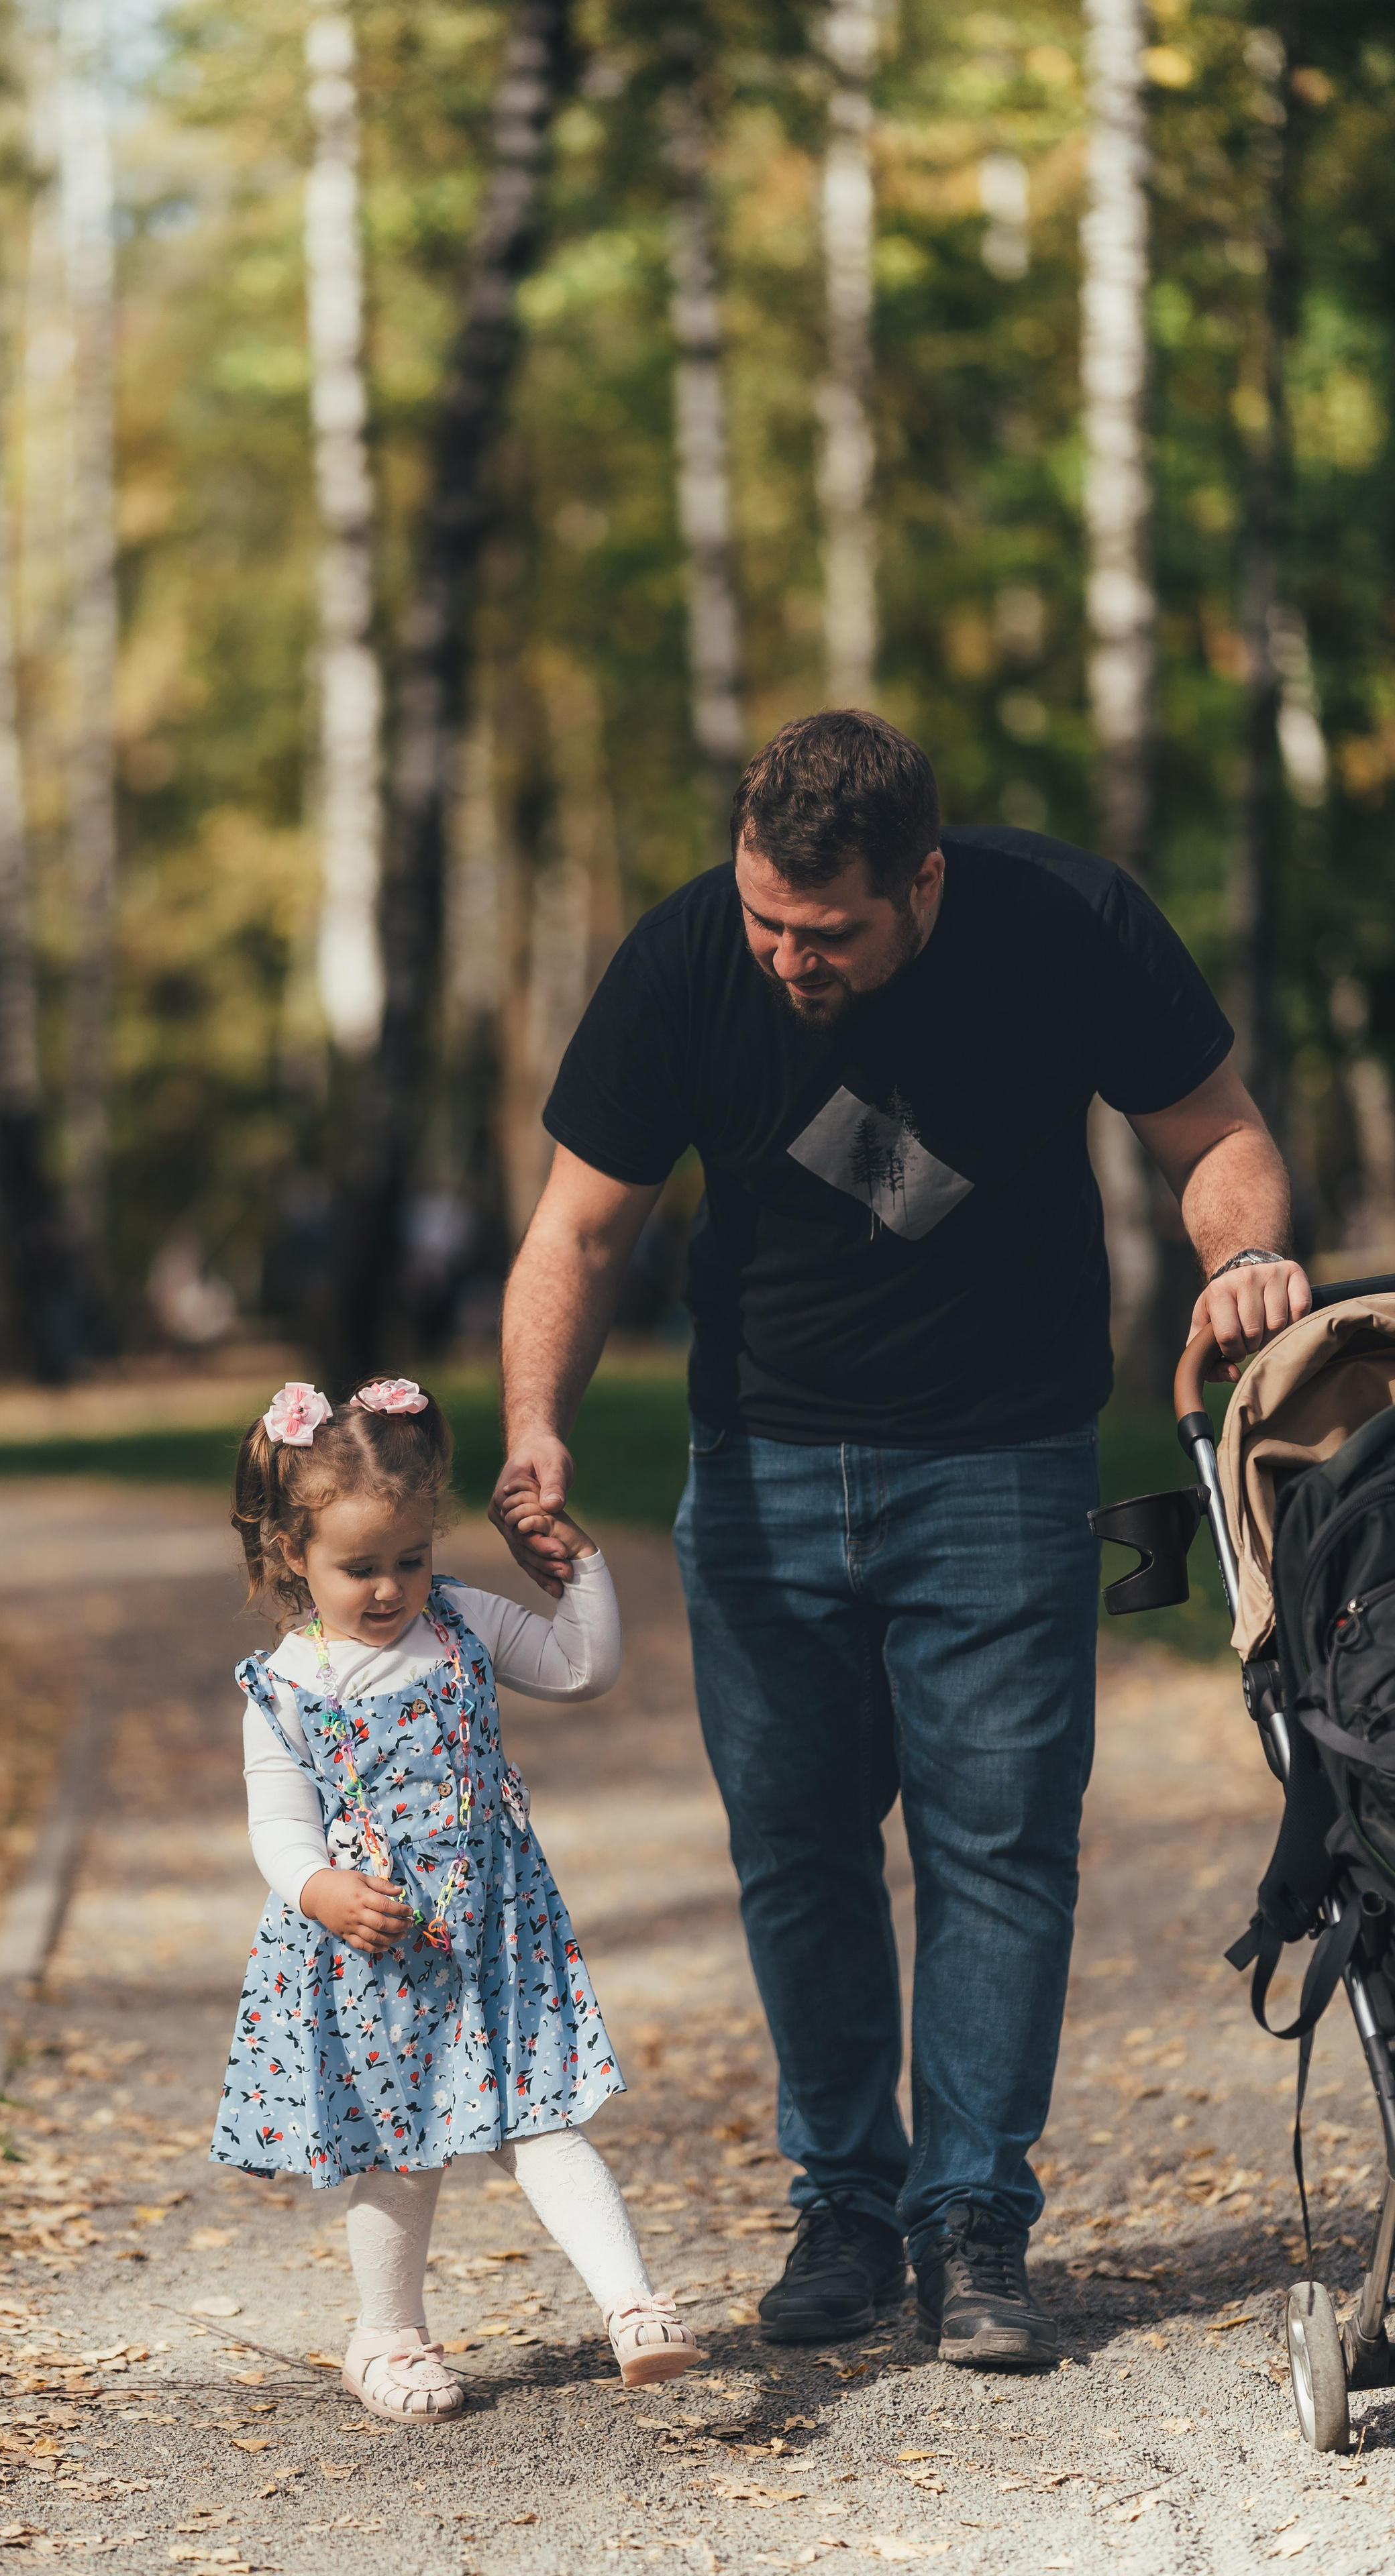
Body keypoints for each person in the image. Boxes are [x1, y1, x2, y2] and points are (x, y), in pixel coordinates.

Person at [490, 709, 1312, 2372]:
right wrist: (535, 1424)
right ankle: (847, 2209)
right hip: (761, 1468)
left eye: (829, 930)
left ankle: (973, 2222)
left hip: (1002, 1459)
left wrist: (1235, 1261)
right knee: (796, 1850)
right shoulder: (680, 960)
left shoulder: (1064, 921)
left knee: (1000, 1841)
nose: (787, 956)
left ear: (920, 883)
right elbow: (577, 1227)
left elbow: (1214, 1134)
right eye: (765, 920)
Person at [210, 1374, 701, 2422]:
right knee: (403, 2146)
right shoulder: (291, 1684)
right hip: (376, 1947)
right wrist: (321, 1889)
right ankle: (385, 2338)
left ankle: (631, 2307)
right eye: (359, 1569)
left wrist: (584, 1568)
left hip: (496, 1929)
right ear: (293, 1556)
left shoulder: (459, 1623)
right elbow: (277, 1825)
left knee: (544, 2116)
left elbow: (581, 1668)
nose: (389, 1589)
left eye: (410, 1560)